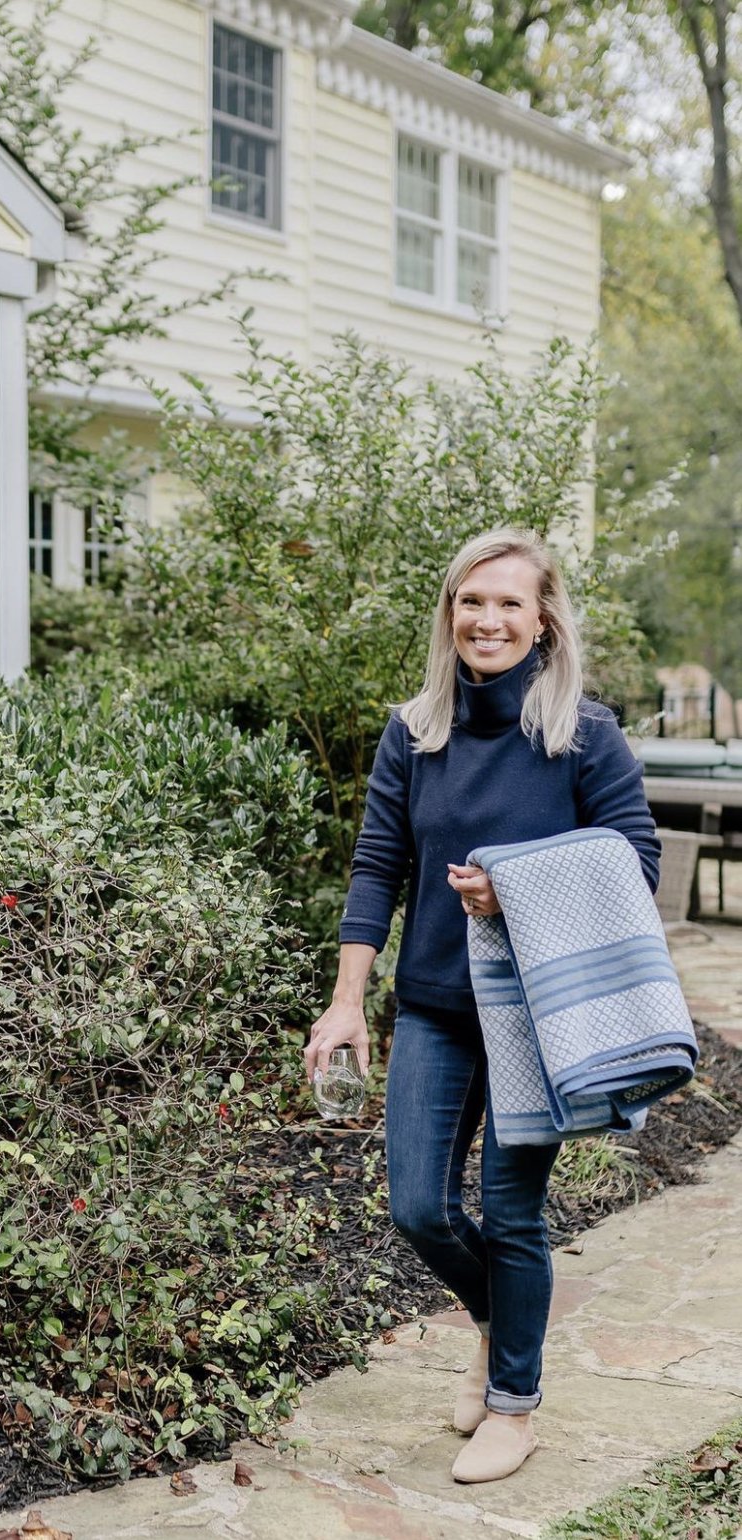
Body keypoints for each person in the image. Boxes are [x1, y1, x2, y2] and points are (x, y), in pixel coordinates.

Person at [304, 527, 658, 1485]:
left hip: (540, 1015)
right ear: (450, 613)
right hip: (433, 1004)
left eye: (509, 602)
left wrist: (519, 889)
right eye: (472, 600)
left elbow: (635, 860)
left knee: (510, 1213)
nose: (488, 619)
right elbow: (379, 866)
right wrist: (347, 1002)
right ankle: (503, 1321)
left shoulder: (583, 732)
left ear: (543, 619)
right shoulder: (416, 730)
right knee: (419, 1208)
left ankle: (515, 1405)